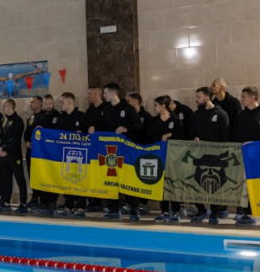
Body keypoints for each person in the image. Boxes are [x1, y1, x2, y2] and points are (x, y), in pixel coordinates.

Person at [233, 86, 260, 226]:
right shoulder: (240, 116)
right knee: (247, 185)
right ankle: (247, 213)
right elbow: (236, 135)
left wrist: (255, 144)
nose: (241, 99)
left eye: (244, 97)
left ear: (253, 97)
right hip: (246, 156)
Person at [99, 83, 142, 220]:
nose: (104, 96)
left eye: (105, 93)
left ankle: (134, 209)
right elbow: (102, 128)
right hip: (111, 151)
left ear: (113, 93)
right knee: (112, 179)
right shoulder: (106, 110)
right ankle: (114, 209)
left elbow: (138, 125)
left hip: (126, 150)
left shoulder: (127, 108)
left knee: (128, 179)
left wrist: (125, 129)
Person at [190, 87, 231, 224]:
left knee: (215, 184)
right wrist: (195, 137)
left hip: (215, 156)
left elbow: (225, 136)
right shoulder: (197, 114)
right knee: (196, 182)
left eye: (199, 96)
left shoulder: (221, 114)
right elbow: (192, 132)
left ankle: (214, 212)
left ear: (207, 97)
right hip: (200, 155)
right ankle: (201, 210)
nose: (196, 99)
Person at [48, 92, 90, 217]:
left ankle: (81, 206)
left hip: (80, 155)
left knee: (80, 179)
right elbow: (52, 134)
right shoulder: (59, 118)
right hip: (64, 154)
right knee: (66, 178)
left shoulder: (82, 117)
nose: (60, 104)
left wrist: (85, 133)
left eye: (62, 102)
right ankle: (69, 205)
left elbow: (90, 135)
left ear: (70, 102)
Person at [149, 95, 184, 222]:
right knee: (162, 184)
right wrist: (161, 137)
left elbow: (181, 136)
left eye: (156, 105)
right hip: (159, 156)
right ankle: (164, 211)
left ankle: (176, 210)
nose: (154, 108)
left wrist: (171, 135)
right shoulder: (154, 121)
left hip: (173, 157)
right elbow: (150, 135)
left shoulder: (175, 120)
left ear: (163, 106)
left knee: (173, 183)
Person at [0, 98, 28, 213]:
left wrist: (4, 149)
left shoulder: (18, 121)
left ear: (12, 107)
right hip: (3, 155)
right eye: (3, 106)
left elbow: (15, 139)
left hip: (14, 155)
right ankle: (6, 201)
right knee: (5, 179)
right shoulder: (3, 120)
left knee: (20, 179)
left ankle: (23, 203)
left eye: (7, 106)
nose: (4, 108)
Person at [24, 96, 44, 207]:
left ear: (40, 103)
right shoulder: (31, 118)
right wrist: (27, 142)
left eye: (33, 102)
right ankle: (35, 197)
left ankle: (43, 198)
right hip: (30, 151)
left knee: (41, 175)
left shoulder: (44, 117)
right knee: (32, 175)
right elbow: (27, 133)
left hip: (41, 153)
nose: (30, 104)